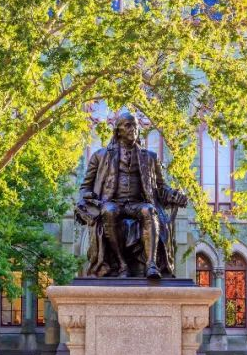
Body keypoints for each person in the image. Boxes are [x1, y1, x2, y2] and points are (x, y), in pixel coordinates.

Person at [76, 111, 186, 278]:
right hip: (112, 202)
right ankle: (121, 264)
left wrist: (175, 195)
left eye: (135, 126)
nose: (133, 129)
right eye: (128, 125)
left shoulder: (150, 157)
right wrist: (85, 202)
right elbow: (85, 187)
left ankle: (151, 265)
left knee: (149, 210)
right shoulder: (100, 156)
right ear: (118, 131)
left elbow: (161, 188)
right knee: (109, 211)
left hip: (138, 204)